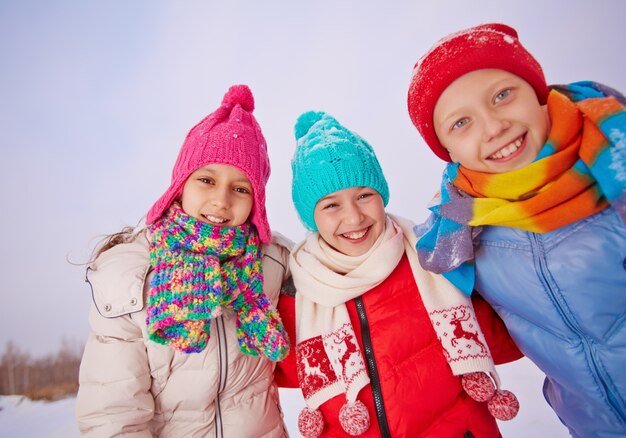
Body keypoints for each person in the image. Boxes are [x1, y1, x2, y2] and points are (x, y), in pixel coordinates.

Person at [407, 23, 626, 438]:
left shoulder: (617, 156)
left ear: (537, 91)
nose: (493, 127)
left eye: (503, 95)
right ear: (447, 152)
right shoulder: (457, 234)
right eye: (461, 123)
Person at [275, 110, 522, 438]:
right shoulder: (298, 292)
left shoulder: (432, 259)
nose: (353, 217)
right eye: (331, 205)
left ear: (382, 196)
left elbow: (509, 337)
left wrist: (503, 242)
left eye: (364, 195)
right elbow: (259, 374)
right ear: (311, 218)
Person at [76, 84, 293, 437]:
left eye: (241, 188)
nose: (221, 200)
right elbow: (113, 413)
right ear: (180, 185)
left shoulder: (274, 262)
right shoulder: (129, 274)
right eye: (206, 180)